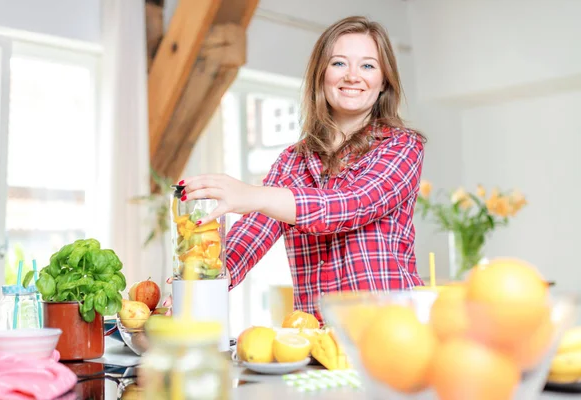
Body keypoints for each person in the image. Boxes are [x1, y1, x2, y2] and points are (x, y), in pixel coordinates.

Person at [179, 15, 426, 324]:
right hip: (316, 337)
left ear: (384, 81)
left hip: (393, 334)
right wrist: (198, 280)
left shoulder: (402, 145)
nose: (352, 76)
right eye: (339, 63)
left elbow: (352, 205)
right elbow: (253, 233)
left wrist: (254, 194)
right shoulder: (291, 162)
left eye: (367, 65)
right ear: (320, 75)